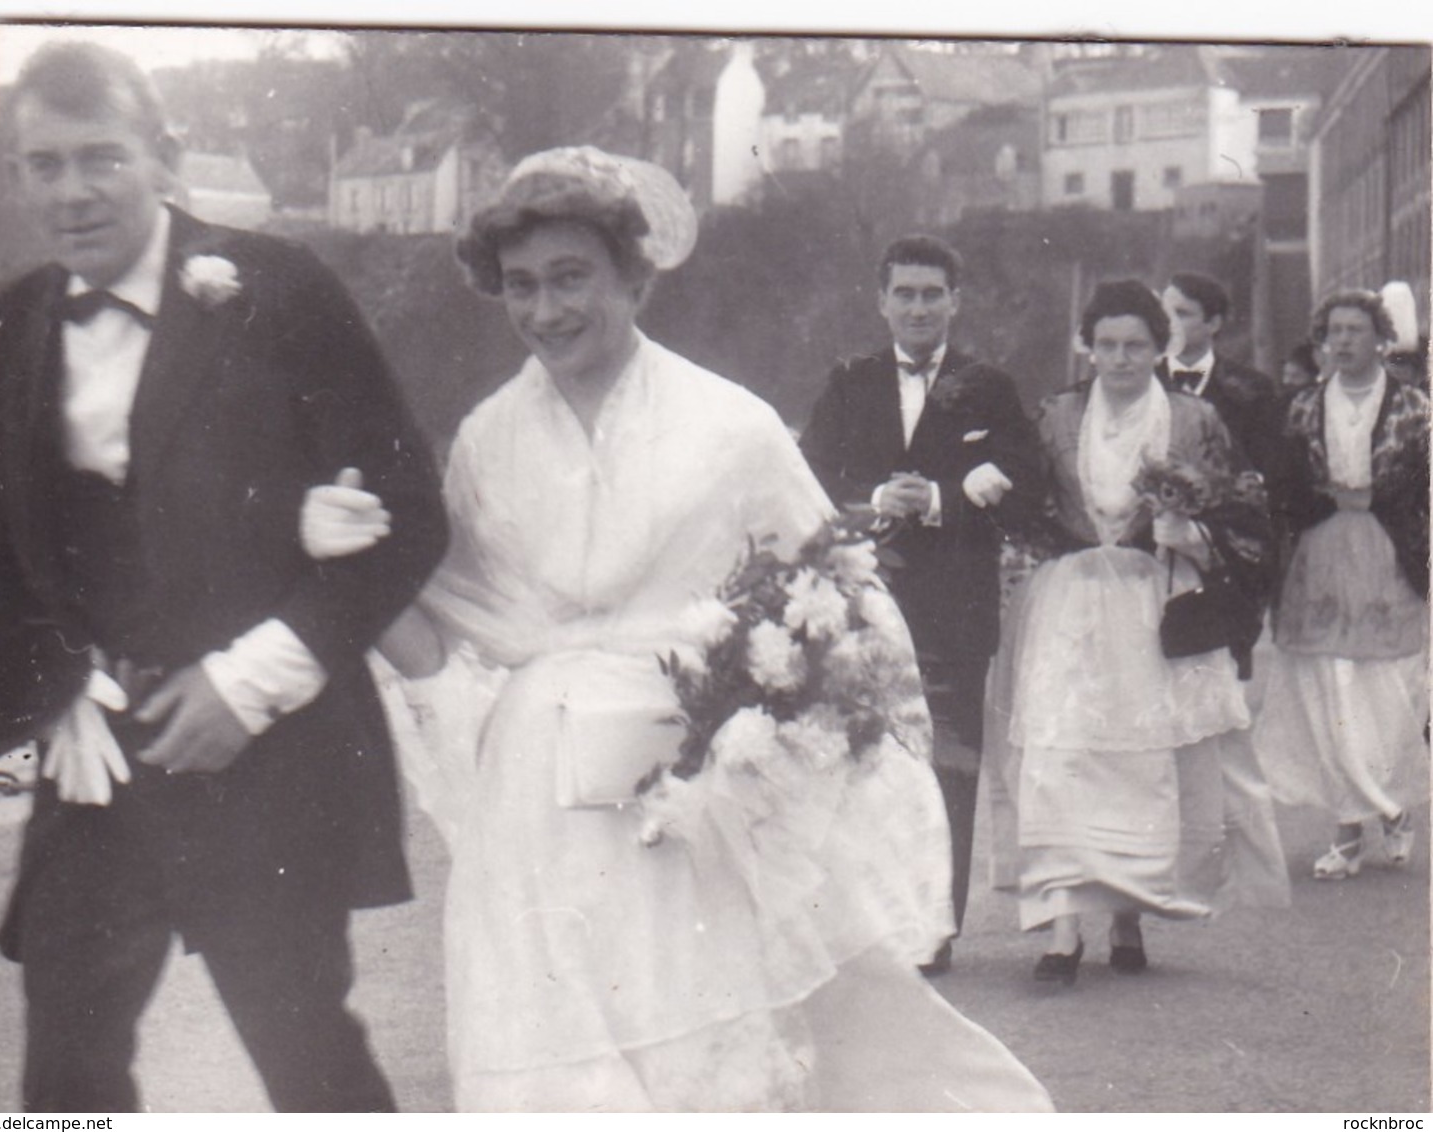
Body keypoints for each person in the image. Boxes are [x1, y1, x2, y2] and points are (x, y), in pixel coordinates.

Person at [302, 147, 1053, 1112]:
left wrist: (771, 744)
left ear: (636, 276)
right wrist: (352, 561)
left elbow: (839, 600)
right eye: (520, 286)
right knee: (555, 1055)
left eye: (572, 277)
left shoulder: (731, 427)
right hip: (535, 807)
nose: (545, 310)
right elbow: (450, 629)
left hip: (688, 801)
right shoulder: (490, 437)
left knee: (700, 1048)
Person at [0, 42, 449, 1112]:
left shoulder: (276, 292)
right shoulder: (7, 322)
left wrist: (249, 684)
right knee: (62, 1075)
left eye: (97, 157)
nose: (68, 190)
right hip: (93, 766)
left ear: (165, 155)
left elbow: (407, 514)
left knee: (311, 1066)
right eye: (38, 163)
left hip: (269, 763)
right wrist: (55, 684)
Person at [985, 280, 1289, 985]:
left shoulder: (1193, 420)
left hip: (1157, 601)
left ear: (1161, 349)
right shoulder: (1056, 415)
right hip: (1071, 601)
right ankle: (1062, 927)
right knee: (1061, 755)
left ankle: (1127, 915)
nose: (1120, 359)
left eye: (1137, 346)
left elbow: (1246, 508)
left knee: (1140, 762)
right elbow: (1028, 508)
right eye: (1107, 345)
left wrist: (1196, 534)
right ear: (1087, 347)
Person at [798, 235, 1044, 972]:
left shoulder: (989, 387)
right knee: (866, 759)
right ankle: (871, 920)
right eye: (903, 293)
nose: (917, 307)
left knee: (950, 766)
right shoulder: (850, 382)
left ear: (955, 302)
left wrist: (941, 499)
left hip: (957, 608)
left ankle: (935, 924)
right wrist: (874, 500)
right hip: (867, 604)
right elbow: (805, 476)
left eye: (932, 294)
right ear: (881, 302)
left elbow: (1028, 488)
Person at [1253, 290, 1429, 879]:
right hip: (1320, 552)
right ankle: (1349, 828)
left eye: (1356, 330)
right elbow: (1283, 484)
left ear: (1382, 338)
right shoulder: (1302, 407)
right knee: (1328, 690)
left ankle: (1392, 805)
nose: (1344, 341)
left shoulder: (1414, 408)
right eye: (1334, 331)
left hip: (1388, 552)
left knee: (1384, 690)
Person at [1159, 271, 1283, 481]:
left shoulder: (1254, 388)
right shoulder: (1143, 382)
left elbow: (1266, 470)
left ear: (1213, 324)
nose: (1169, 323)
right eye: (1164, 313)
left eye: (1181, 313)